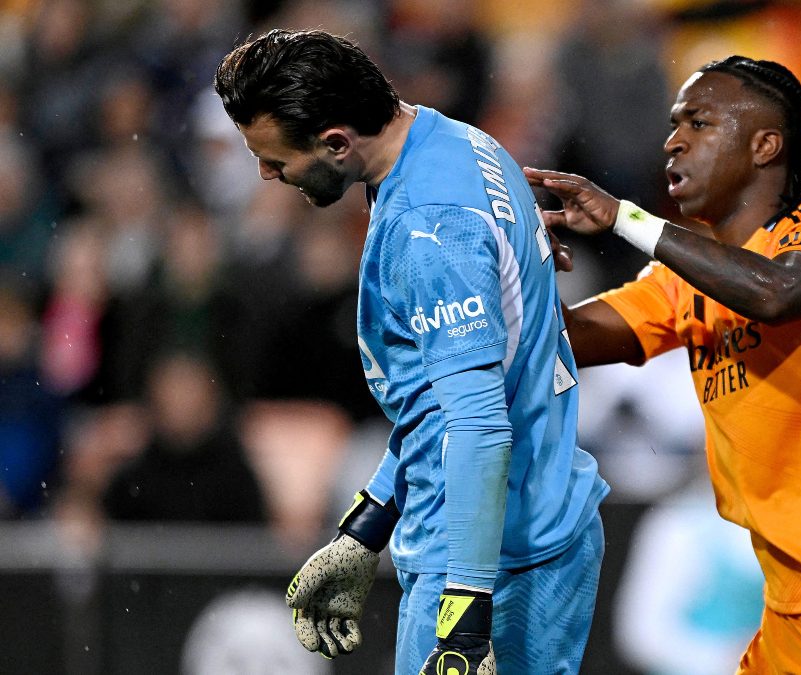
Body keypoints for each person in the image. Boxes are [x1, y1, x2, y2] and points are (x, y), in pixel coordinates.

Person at [525, 55, 801, 673]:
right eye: (674, 124)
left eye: (699, 123)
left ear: (765, 145)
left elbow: (775, 293)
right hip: (789, 616)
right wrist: (516, 261)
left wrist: (627, 218)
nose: (672, 141)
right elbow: (558, 338)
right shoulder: (679, 284)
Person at [213, 29, 609, 675]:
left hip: (491, 557)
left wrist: (464, 615)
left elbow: (478, 426)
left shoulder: (428, 225)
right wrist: (368, 524)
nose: (266, 173)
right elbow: (451, 398)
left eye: (275, 157)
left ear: (338, 141)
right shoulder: (452, 141)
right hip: (537, 525)